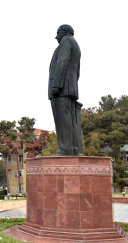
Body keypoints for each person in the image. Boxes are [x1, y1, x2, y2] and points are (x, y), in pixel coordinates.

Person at [48, 24, 81, 156]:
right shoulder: (76, 45)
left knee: (62, 120)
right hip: (70, 88)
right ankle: (73, 149)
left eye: (58, 33)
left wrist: (56, 85)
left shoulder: (66, 41)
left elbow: (62, 61)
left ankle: (65, 149)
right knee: (71, 121)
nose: (56, 37)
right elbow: (77, 71)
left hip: (61, 89)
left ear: (64, 32)